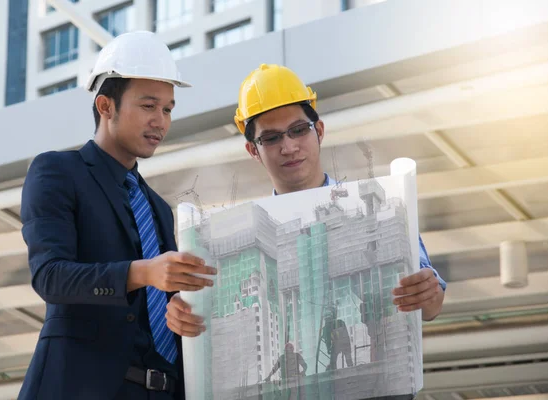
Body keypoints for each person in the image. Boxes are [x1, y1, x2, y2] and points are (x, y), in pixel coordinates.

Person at [166, 64, 445, 337]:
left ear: (319, 131)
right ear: (253, 151)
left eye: (299, 130)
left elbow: (430, 306)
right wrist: (185, 313)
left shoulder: (383, 210)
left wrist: (428, 294)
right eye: (272, 138)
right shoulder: (244, 240)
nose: (289, 147)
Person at [18, 31, 216, 400]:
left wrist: (180, 314)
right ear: (106, 106)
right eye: (148, 106)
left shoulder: (156, 206)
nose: (161, 121)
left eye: (168, 109)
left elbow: (163, 305)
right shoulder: (57, 172)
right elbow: (50, 277)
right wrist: (142, 272)